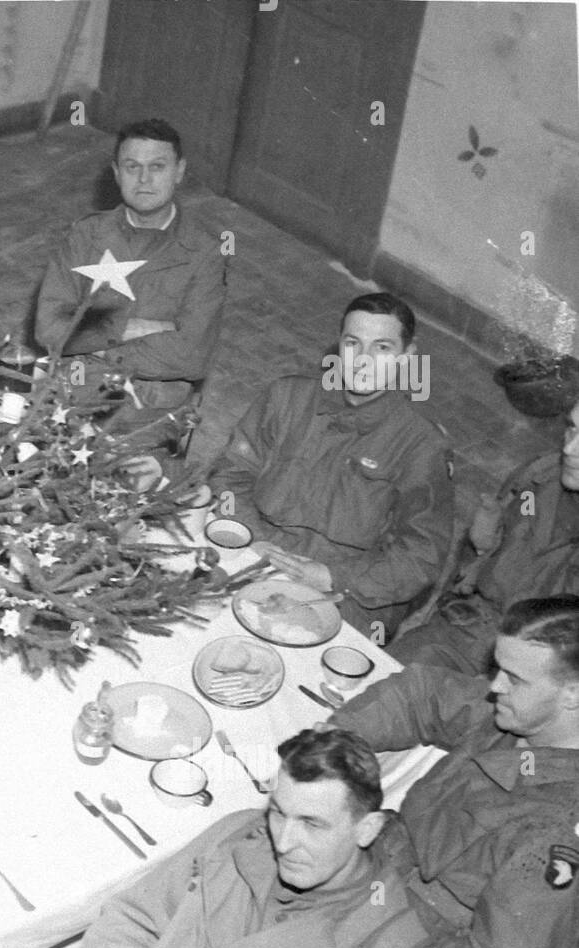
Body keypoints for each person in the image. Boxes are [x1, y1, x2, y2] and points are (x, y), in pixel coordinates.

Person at [68, 729, 438, 948]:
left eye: (312, 823)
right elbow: (130, 922)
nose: (284, 841)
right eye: (279, 811)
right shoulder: (240, 834)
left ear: (367, 828)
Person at [329, 595, 579, 948]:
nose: (495, 685)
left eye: (514, 678)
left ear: (573, 694)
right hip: (380, 874)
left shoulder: (557, 832)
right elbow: (422, 694)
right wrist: (337, 737)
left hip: (414, 947)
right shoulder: (523, 717)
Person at [207, 292, 453, 640]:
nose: (363, 360)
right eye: (353, 343)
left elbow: (421, 557)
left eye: (382, 348)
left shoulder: (421, 444)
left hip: (345, 591)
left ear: (407, 358)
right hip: (259, 551)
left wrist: (334, 577)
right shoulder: (286, 398)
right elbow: (230, 473)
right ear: (339, 346)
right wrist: (250, 536)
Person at [34, 117, 226, 435]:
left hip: (153, 411)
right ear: (116, 173)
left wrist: (95, 343)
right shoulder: (84, 235)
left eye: (158, 167)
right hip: (78, 394)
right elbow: (49, 329)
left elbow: (192, 356)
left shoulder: (204, 253)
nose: (144, 179)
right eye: (132, 167)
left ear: (179, 171)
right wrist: (130, 328)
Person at [390, 398, 579, 673]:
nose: (570, 448)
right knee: (383, 681)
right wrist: (481, 551)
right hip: (470, 631)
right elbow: (472, 560)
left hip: (547, 671)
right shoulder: (540, 475)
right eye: (572, 429)